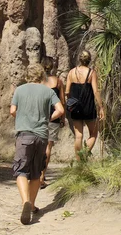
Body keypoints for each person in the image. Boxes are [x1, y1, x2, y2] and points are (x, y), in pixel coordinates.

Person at [10, 63, 64, 225]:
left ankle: (25, 201)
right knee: (35, 172)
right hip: (41, 136)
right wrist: (48, 119)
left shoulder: (20, 90)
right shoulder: (48, 91)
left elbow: (12, 111)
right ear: (42, 76)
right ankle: (32, 205)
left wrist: (22, 117)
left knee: (20, 170)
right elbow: (60, 110)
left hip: (24, 135)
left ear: (27, 75)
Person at [66, 50, 104, 159]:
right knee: (93, 133)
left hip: (75, 107)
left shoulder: (71, 72)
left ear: (79, 59)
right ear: (89, 60)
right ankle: (84, 155)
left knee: (78, 135)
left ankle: (79, 161)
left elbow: (67, 92)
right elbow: (96, 91)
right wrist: (101, 107)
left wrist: (71, 102)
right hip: (88, 107)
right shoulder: (91, 73)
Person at [40, 56, 65, 189]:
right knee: (48, 147)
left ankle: (36, 173)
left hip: (39, 117)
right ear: (53, 67)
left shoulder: (39, 82)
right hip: (54, 116)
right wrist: (62, 118)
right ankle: (42, 175)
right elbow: (62, 101)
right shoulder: (58, 81)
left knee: (39, 146)